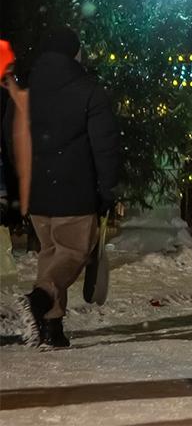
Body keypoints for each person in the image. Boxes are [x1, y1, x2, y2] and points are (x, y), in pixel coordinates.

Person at [13, 27, 119, 349]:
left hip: (38, 193)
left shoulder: (25, 89)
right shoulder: (89, 90)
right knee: (74, 252)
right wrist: (108, 189)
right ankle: (40, 298)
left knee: (51, 253)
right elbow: (104, 146)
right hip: (75, 190)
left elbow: (11, 137)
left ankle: (51, 330)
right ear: (75, 54)